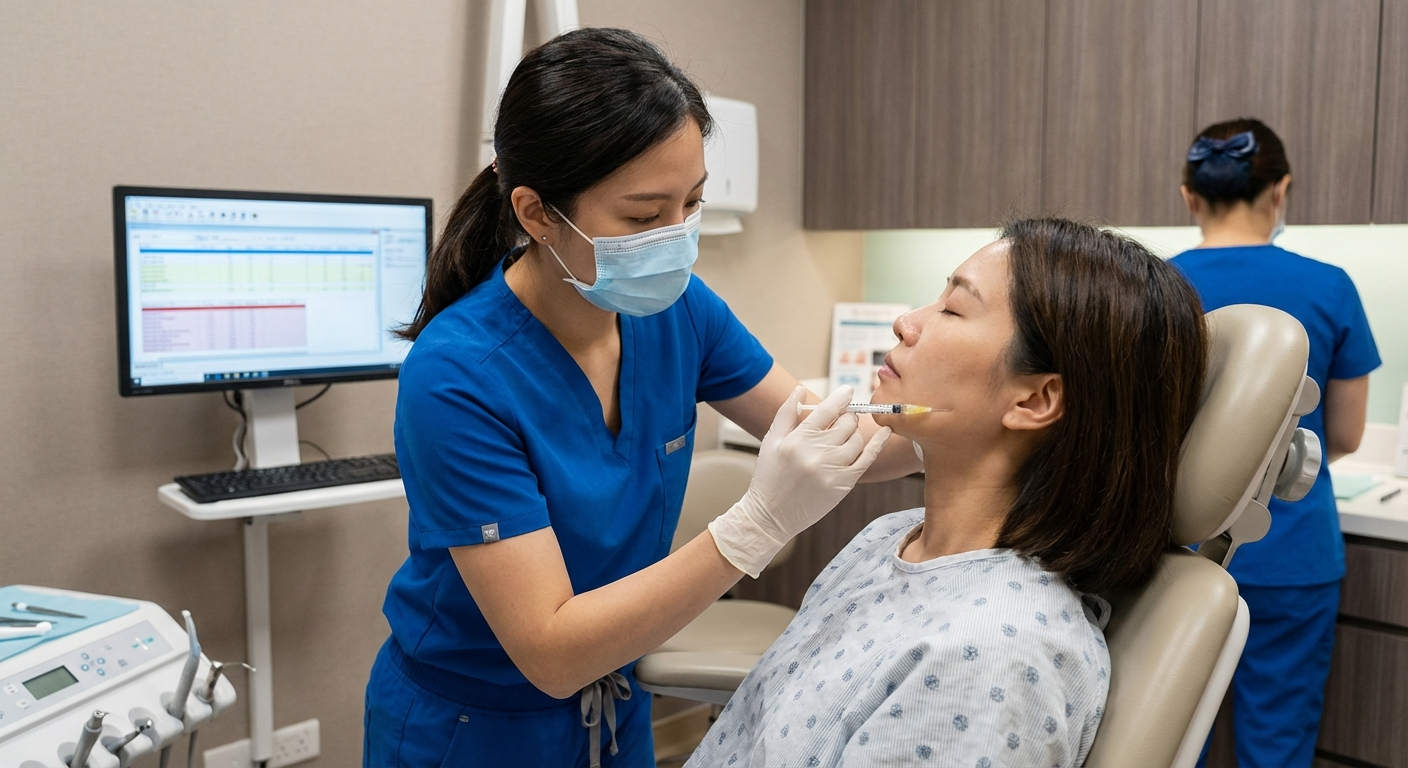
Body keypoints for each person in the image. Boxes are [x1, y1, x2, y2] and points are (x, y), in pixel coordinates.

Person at [362, 28, 920, 768]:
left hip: (614, 708)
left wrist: (976, 427)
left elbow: (837, 435)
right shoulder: (457, 377)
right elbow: (552, 651)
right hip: (476, 729)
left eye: (691, 202)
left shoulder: (682, 312)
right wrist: (755, 526)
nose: (676, 237)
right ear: (535, 213)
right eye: (642, 215)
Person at [687, 218, 1209, 768]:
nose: (904, 323)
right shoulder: (887, 539)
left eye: (953, 310)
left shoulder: (992, 653)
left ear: (1033, 401)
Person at [1171, 118, 1381, 768]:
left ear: (1188, 196)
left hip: (1172, 553)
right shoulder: (1329, 287)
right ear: (1281, 190)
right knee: (1278, 747)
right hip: (1292, 554)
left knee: (1168, 735)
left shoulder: (1152, 286)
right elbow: (1342, 435)